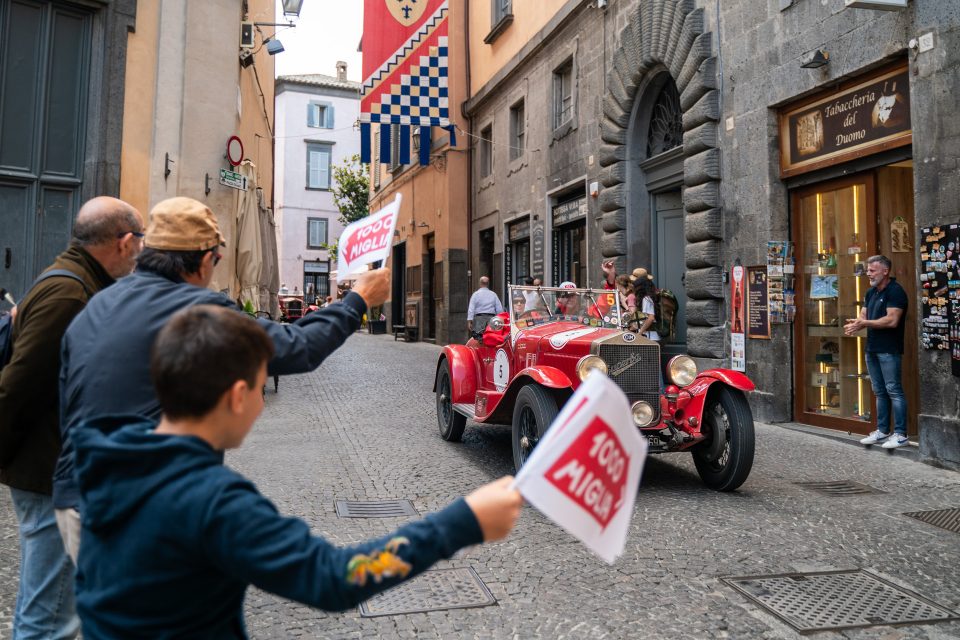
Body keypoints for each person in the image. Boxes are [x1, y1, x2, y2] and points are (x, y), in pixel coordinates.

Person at [72, 305, 523, 638]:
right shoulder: (212, 501)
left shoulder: (108, 456)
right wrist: (464, 522)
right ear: (236, 396)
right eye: (260, 387)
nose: (263, 402)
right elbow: (336, 578)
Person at [53, 197, 391, 564]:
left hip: (79, 496)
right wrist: (357, 300)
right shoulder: (200, 311)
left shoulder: (99, 304)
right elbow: (298, 348)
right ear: (203, 261)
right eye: (216, 260)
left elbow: (67, 400)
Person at [0, 196, 144, 640]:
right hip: (48, 475)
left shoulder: (78, 281)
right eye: (139, 242)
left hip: (55, 469)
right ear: (123, 242)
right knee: (49, 616)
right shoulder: (71, 293)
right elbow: (18, 385)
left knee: (58, 606)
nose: (140, 252)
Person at [845, 255, 909, 449]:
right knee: (879, 391)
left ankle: (901, 434)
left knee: (893, 390)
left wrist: (864, 323)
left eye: (872, 270)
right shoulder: (870, 292)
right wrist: (857, 323)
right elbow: (863, 314)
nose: (868, 274)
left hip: (889, 349)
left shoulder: (896, 292)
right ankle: (882, 431)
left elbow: (892, 320)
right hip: (871, 348)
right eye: (867, 270)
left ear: (885, 271)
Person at [635, 276, 660, 341]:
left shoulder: (646, 299)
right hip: (653, 335)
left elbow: (651, 318)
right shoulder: (652, 297)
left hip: (650, 337)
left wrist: (640, 333)